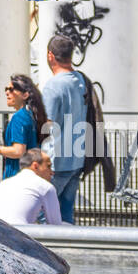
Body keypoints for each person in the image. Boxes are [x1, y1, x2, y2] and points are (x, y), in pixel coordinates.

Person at [41, 33, 88, 224]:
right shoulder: (80, 80)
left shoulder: (53, 86)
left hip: (55, 162)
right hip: (76, 157)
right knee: (66, 215)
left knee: (42, 215)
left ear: (50, 56)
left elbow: (47, 125)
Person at [0, 72, 48, 179]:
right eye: (6, 89)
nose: (7, 92)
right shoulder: (29, 115)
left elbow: (18, 151)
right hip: (29, 175)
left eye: (11, 89)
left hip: (16, 175)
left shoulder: (19, 117)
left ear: (25, 95)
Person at [0, 148, 62, 226]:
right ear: (35, 166)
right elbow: (56, 224)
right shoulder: (45, 187)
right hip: (19, 235)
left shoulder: (4, 183)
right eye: (48, 166)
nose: (52, 172)